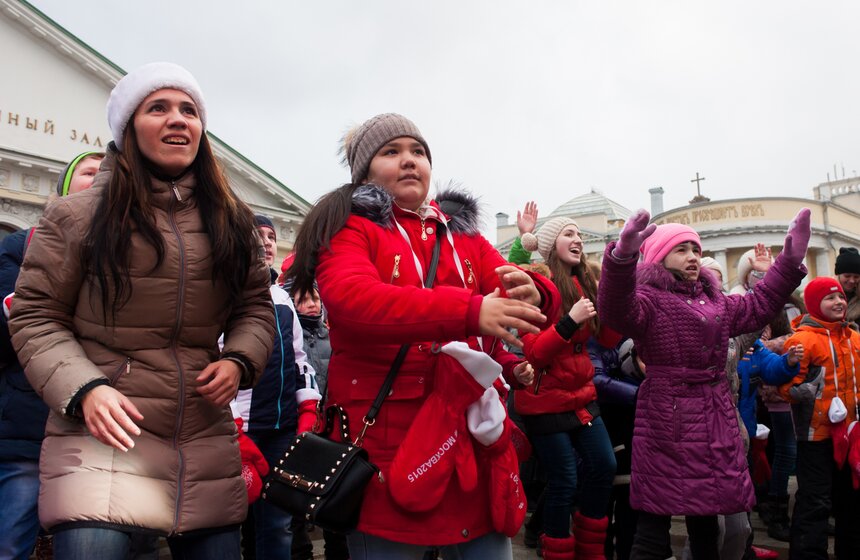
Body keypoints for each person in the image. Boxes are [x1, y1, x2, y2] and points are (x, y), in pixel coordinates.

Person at [8, 62, 274, 560]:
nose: (179, 119)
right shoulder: (75, 215)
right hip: (104, 431)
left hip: (201, 432)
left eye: (189, 110)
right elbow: (35, 316)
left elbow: (255, 307)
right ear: (128, 127)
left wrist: (239, 359)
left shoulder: (231, 219)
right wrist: (84, 389)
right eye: (159, 108)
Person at [288, 113, 558, 559]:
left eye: (418, 152)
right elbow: (355, 301)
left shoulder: (461, 234)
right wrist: (470, 311)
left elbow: (514, 280)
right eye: (391, 152)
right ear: (365, 173)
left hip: (472, 436)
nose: (409, 160)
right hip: (390, 440)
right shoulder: (350, 226)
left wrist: (538, 292)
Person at [597, 209, 810, 560]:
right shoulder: (649, 299)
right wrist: (621, 259)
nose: (693, 257)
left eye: (695, 249)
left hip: (713, 417)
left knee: (706, 522)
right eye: (681, 249)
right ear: (659, 256)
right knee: (652, 524)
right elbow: (614, 308)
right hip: (668, 418)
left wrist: (788, 262)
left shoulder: (715, 301)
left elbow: (758, 305)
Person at [0, 151, 103, 560]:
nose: (100, 179)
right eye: (89, 172)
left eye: (107, 173)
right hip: (30, 426)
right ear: (63, 188)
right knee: (12, 543)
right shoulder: (20, 246)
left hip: (96, 432)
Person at [516, 217, 618, 560]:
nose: (577, 240)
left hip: (581, 395)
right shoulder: (537, 284)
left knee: (604, 465)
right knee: (565, 479)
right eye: (568, 234)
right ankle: (556, 551)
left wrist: (614, 309)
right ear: (550, 245)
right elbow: (533, 352)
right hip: (544, 401)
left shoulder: (584, 281)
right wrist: (569, 320)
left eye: (578, 235)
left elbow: (606, 337)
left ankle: (591, 551)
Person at [232, 215, 319, 559]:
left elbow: (300, 360)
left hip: (281, 430)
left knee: (277, 526)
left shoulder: (283, 300)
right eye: (257, 235)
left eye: (271, 236)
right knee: (235, 521)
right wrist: (233, 427)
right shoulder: (224, 296)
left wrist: (308, 407)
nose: (266, 241)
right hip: (239, 433)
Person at [779, 276, 860, 559]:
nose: (839, 302)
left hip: (850, 437)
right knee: (815, 503)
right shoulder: (802, 340)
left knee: (850, 503)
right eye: (830, 298)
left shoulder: (855, 338)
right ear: (815, 304)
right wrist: (809, 388)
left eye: (840, 297)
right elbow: (787, 389)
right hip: (816, 437)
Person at [834, 247, 860, 324]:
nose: (852, 280)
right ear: (838, 275)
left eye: (856, 277)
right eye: (847, 276)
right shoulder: (824, 296)